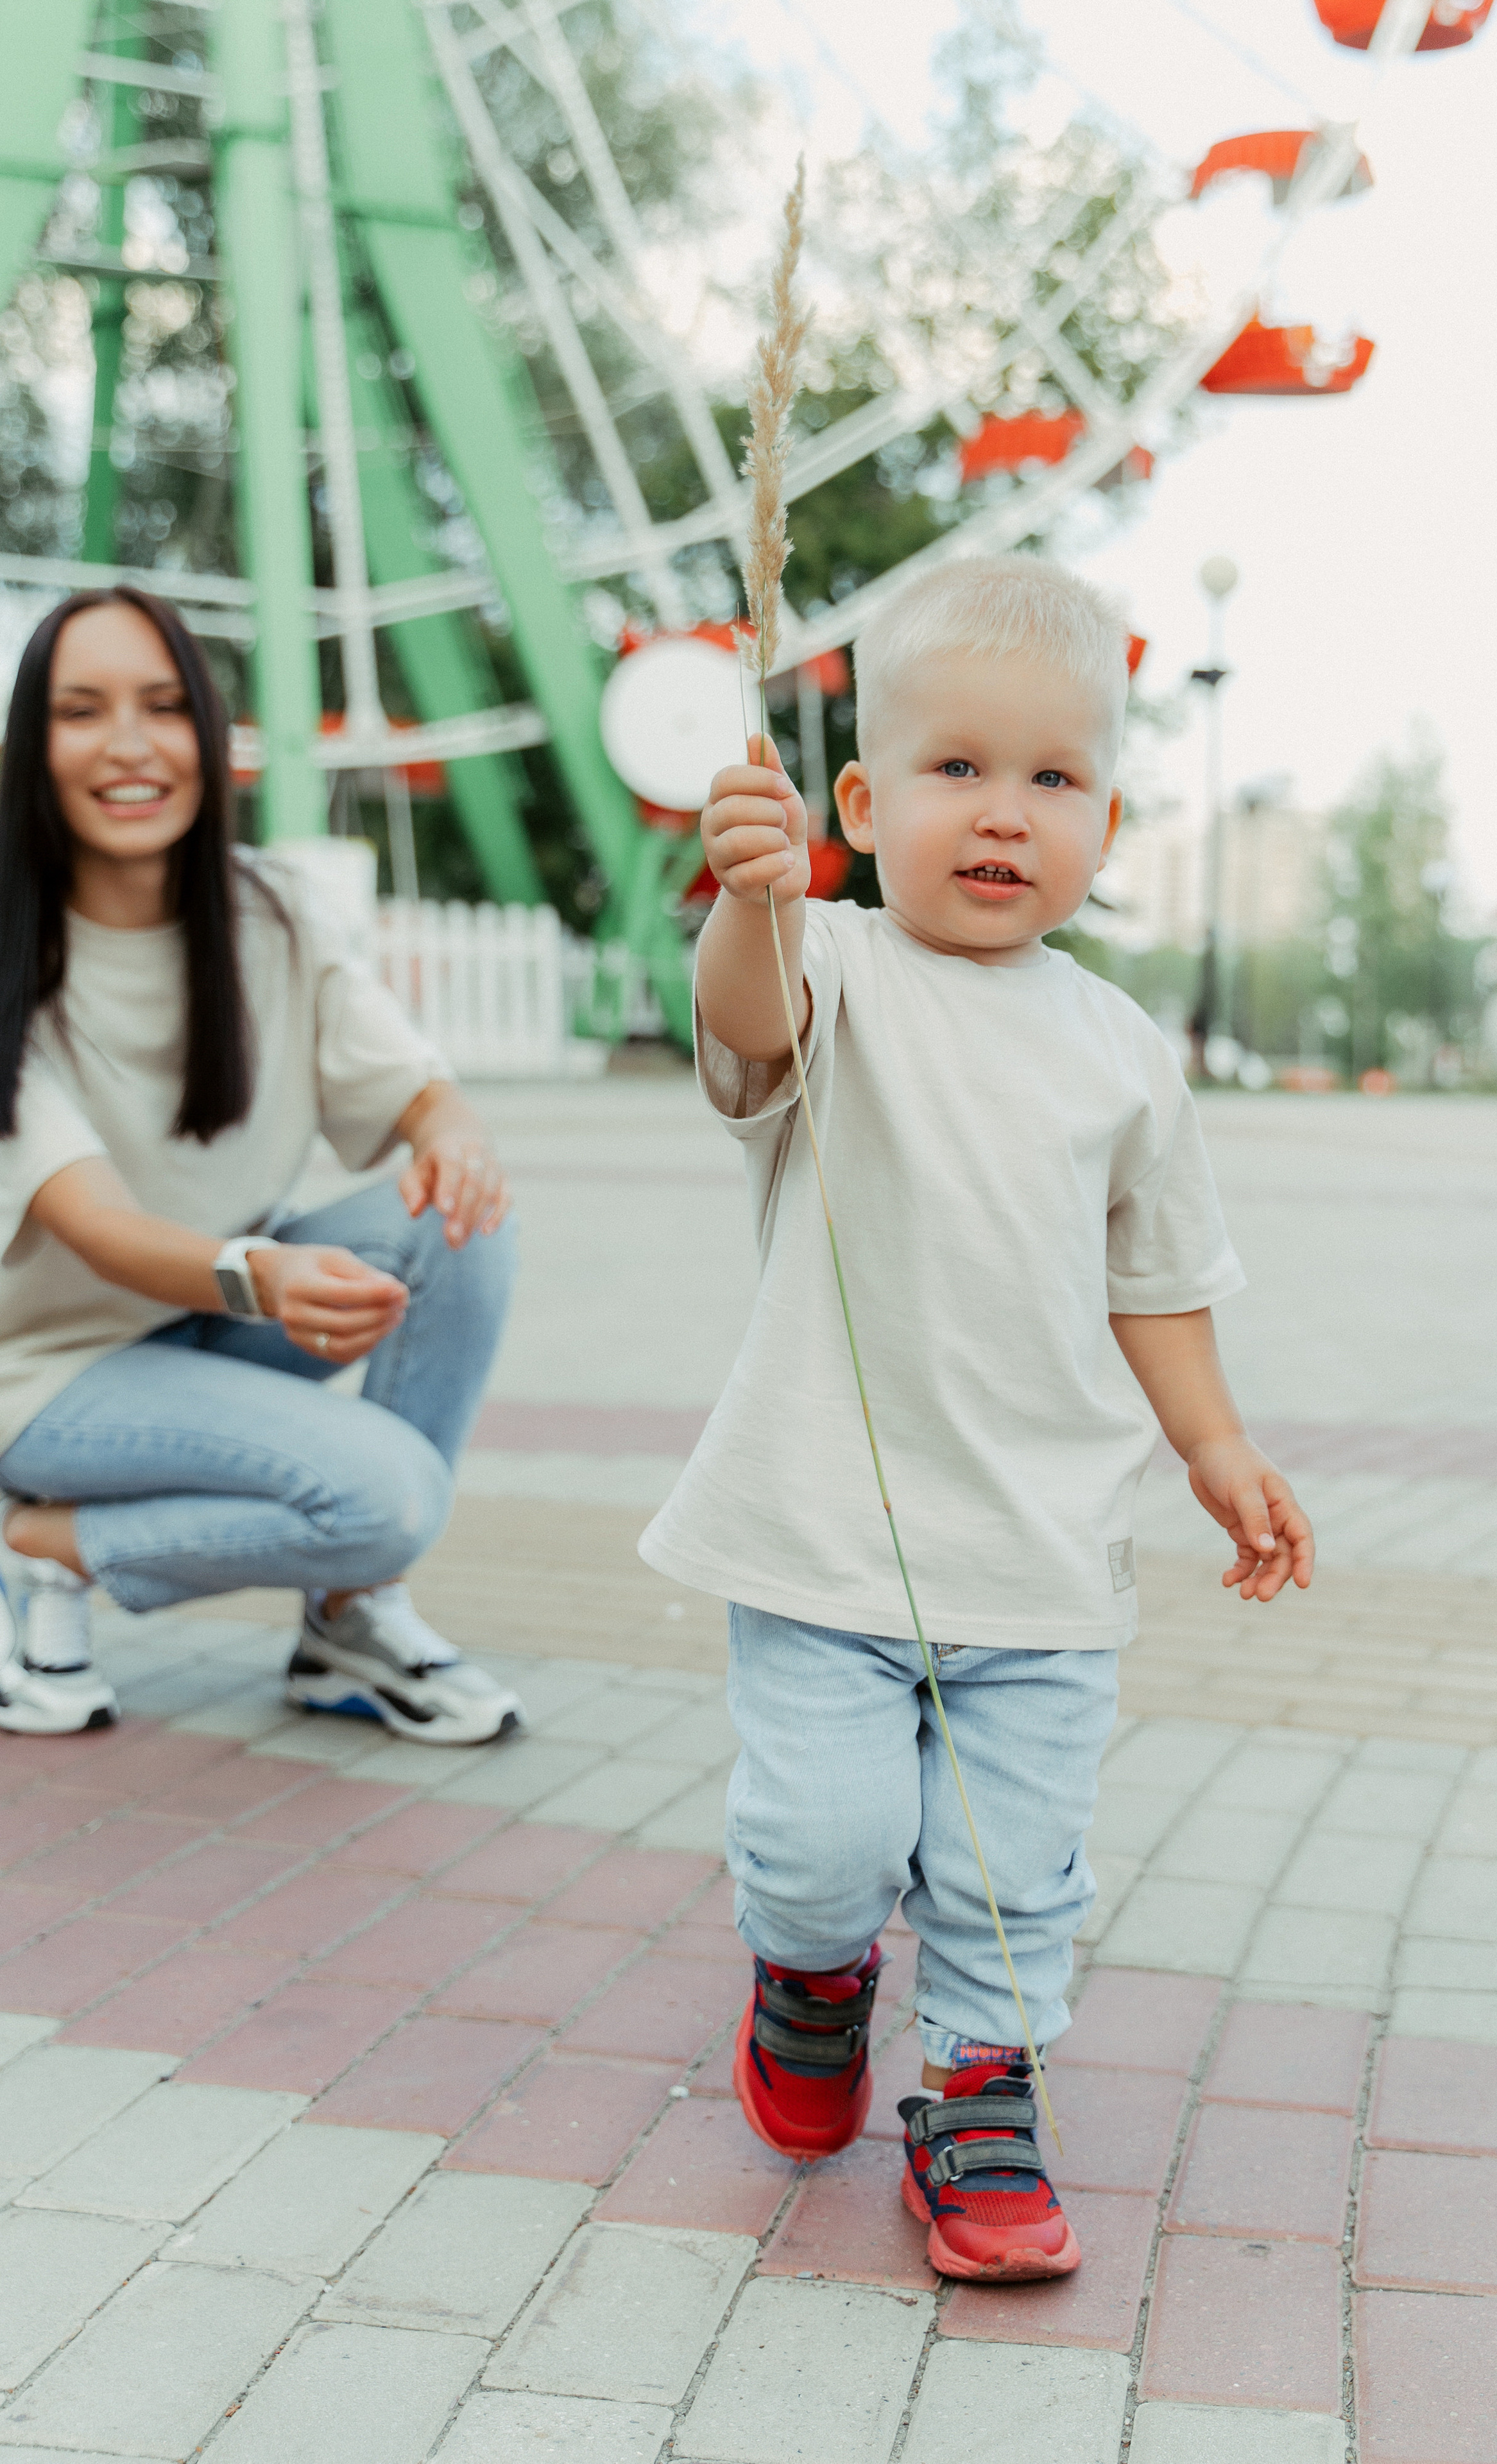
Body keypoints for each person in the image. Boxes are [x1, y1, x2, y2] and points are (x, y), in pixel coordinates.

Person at [640, 555, 1313, 2282]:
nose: (1003, 813)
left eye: (1052, 779)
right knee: (823, 1846)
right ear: (861, 803)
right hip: (820, 1535)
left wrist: (1218, 1451)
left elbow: (1157, 1276)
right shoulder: (834, 969)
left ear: (1104, 815)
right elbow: (741, 1015)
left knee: (1012, 1876)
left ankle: (981, 2087)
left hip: (1038, 1553)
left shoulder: (1119, 1048)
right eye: (955, 771)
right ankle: (808, 1974)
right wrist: (751, 895)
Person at [0, 585, 522, 1746]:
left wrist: (459, 1139)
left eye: (164, 706)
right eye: (83, 712)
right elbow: (92, 1225)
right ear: (33, 748)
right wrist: (267, 1280)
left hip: (212, 1319)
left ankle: (349, 1614)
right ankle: (39, 1539)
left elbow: (418, 1094)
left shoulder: (272, 915)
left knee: (460, 1220)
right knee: (387, 1496)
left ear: (209, 736)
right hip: (51, 1375)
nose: (130, 745)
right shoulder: (9, 957)